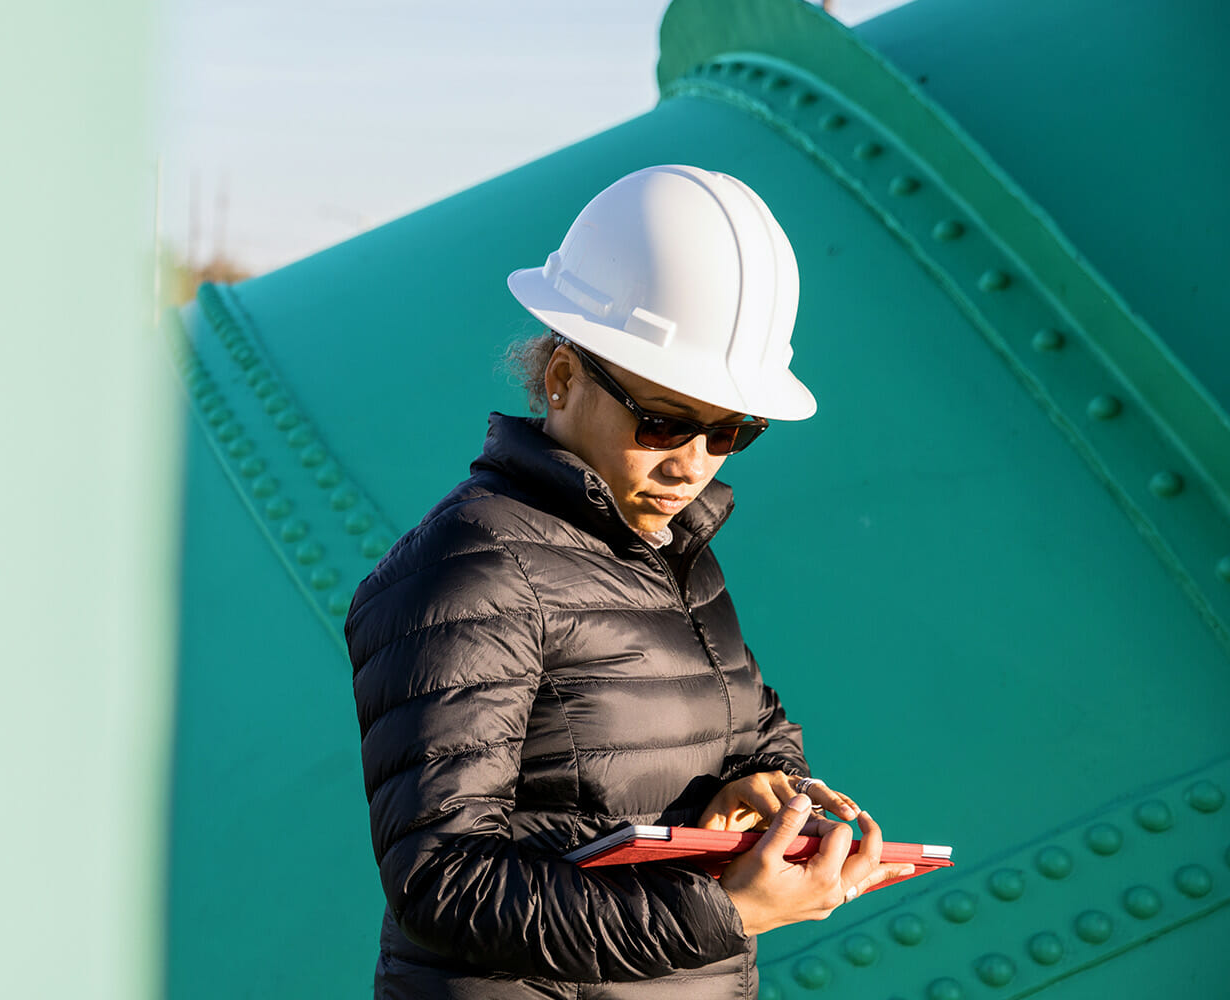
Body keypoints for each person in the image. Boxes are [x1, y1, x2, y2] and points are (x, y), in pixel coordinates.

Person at [343, 164, 915, 1000]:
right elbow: (443, 882)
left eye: (730, 432)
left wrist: (766, 785)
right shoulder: (471, 567)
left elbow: (753, 724)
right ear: (563, 378)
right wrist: (727, 913)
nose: (693, 465)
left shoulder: (670, 550)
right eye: (663, 423)